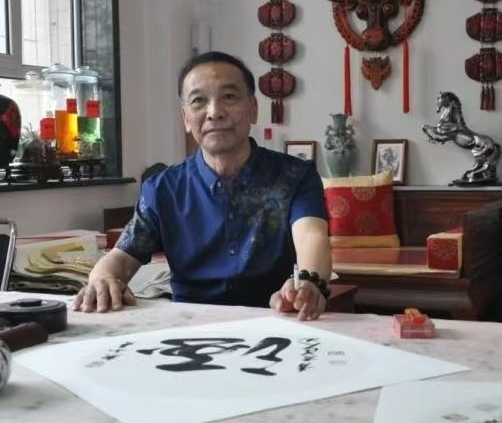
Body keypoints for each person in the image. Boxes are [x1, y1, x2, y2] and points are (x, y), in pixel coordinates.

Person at [73, 51, 332, 320]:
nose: (215, 112)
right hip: (190, 327)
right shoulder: (163, 189)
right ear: (185, 118)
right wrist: (102, 277)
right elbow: (121, 258)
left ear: (253, 109)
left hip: (276, 319)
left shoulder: (294, 176)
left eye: (229, 97)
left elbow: (311, 236)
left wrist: (308, 282)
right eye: (198, 101)